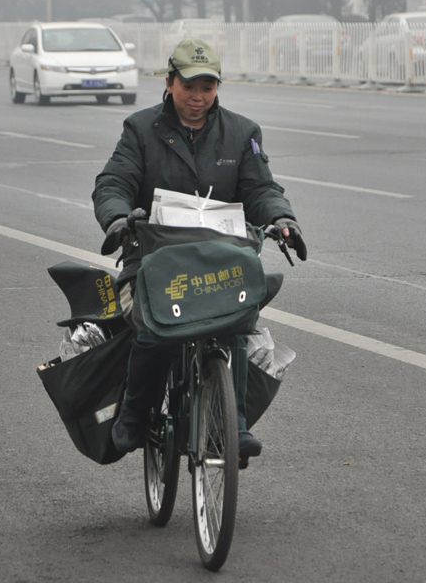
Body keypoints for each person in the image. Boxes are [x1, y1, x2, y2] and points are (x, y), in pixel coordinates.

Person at [92, 37, 307, 458]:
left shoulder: (242, 133)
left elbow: (262, 188)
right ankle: (134, 417)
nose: (198, 97)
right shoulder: (140, 129)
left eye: (207, 87)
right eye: (189, 86)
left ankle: (235, 424)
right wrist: (118, 218)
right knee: (153, 332)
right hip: (154, 259)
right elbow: (113, 182)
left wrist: (282, 219)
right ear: (170, 82)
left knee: (236, 323)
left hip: (217, 259)